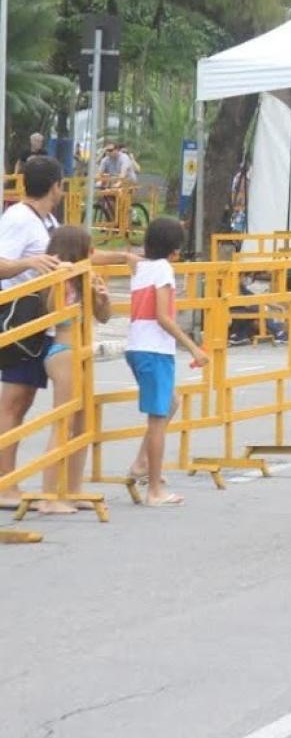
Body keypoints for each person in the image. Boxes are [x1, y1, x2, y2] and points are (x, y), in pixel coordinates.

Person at [0, 156, 85, 508]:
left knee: (25, 401)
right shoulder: (18, 218)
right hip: (21, 320)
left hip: (43, 323)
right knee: (13, 402)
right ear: (56, 186)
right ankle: (5, 484)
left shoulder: (48, 220)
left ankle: (19, 482)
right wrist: (29, 263)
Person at [126, 218, 208, 506]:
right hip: (155, 350)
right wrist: (193, 348)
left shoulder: (140, 266)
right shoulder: (163, 270)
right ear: (174, 251)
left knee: (170, 402)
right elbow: (163, 316)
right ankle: (154, 490)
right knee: (158, 419)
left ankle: (140, 463)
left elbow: (125, 256)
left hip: (137, 347)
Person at [36, 226, 112, 514]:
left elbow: (104, 317)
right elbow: (53, 305)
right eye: (89, 249)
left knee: (82, 424)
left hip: (81, 353)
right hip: (64, 352)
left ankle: (73, 489)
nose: (93, 254)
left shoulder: (87, 278)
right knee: (63, 424)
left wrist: (101, 297)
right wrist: (69, 271)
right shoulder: (62, 279)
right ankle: (48, 496)